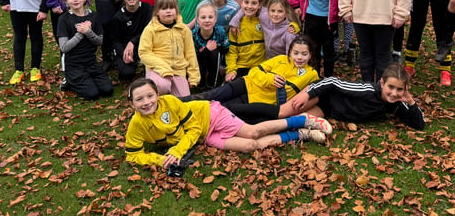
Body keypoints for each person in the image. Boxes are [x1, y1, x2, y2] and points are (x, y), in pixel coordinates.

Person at [124, 78, 331, 167]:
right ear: (131, 104)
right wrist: (160, 160)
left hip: (209, 114)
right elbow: (132, 155)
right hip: (203, 137)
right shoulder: (137, 125)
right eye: (139, 99)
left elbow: (194, 127)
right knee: (250, 146)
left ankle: (302, 119)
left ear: (157, 95)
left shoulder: (170, 102)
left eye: (150, 96)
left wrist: (177, 151)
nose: (146, 102)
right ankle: (301, 134)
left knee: (252, 133)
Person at [228, 63, 425, 131]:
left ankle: (234, 122)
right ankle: (227, 109)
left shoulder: (396, 103)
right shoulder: (367, 90)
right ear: (382, 83)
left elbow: (418, 124)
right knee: (281, 113)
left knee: (291, 122)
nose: (394, 93)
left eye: (400, 90)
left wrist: (410, 101)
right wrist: (307, 94)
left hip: (329, 111)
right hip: (322, 96)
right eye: (391, 87)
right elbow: (331, 82)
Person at [184, 36, 320, 114]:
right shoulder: (281, 59)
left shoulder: (311, 74)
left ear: (310, 55)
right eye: (295, 53)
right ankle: (176, 102)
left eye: (304, 54)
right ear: (290, 52)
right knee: (210, 95)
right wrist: (269, 79)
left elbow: (310, 93)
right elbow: (254, 71)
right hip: (246, 83)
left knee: (217, 107)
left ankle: (185, 112)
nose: (299, 58)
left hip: (257, 99)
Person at [57, 0, 114, 100]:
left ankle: (88, 78)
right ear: (66, 0)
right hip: (74, 64)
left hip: (91, 62)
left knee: (108, 90)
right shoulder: (64, 19)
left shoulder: (94, 16)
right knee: (92, 94)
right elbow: (64, 47)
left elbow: (99, 41)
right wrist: (80, 33)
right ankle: (69, 80)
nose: (75, 0)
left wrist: (88, 32)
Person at [138, 0, 200, 97]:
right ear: (157, 12)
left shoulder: (184, 30)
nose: (168, 11)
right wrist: (163, 68)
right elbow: (144, 53)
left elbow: (190, 53)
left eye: (171, 8)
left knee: (184, 101)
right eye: (163, 8)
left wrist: (193, 76)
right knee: (162, 85)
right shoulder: (150, 29)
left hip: (178, 71)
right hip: (157, 70)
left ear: (176, 10)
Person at [109, 0, 153, 83]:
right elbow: (115, 40)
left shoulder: (148, 9)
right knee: (126, 74)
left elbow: (149, 30)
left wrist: (133, 42)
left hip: (145, 44)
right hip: (126, 47)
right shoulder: (118, 17)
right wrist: (124, 52)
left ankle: (144, 65)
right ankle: (118, 62)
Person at [230, 0, 300, 59]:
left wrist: (295, 26)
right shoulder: (265, 17)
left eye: (280, 11)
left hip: (281, 63)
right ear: (268, 11)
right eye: (272, 11)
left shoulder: (289, 31)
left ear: (286, 13)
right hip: (266, 61)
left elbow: (290, 55)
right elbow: (248, 8)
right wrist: (235, 21)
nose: (275, 14)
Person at [226, 0, 266, 80]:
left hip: (260, 66)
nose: (249, 6)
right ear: (241, 3)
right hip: (241, 66)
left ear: (260, 5)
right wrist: (231, 70)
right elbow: (232, 51)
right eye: (246, 2)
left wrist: (294, 26)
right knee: (235, 88)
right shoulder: (236, 25)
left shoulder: (264, 22)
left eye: (254, 3)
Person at [192, 4, 230, 90]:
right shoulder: (193, 35)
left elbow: (226, 48)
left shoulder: (220, 31)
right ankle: (200, 82)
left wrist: (223, 66)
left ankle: (212, 84)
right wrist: (206, 50)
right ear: (197, 20)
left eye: (210, 17)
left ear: (215, 19)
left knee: (214, 52)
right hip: (199, 64)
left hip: (215, 62)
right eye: (203, 17)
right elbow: (192, 58)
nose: (207, 20)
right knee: (202, 54)